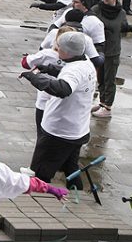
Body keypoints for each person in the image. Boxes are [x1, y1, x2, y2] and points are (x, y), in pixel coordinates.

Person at [20, 31, 95, 189]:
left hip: (59, 133)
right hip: (77, 131)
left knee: (40, 174)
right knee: (71, 169)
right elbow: (72, 78)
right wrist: (50, 70)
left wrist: (35, 78)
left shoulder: (74, 70)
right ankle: (77, 201)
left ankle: (40, 204)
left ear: (67, 51)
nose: (56, 48)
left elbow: (63, 88)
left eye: (58, 47)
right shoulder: (86, 62)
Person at [90, 0, 127, 119]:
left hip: (113, 50)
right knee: (100, 78)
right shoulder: (96, 9)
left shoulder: (121, 12)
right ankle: (102, 102)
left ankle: (107, 107)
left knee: (109, 79)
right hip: (99, 50)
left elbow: (123, 27)